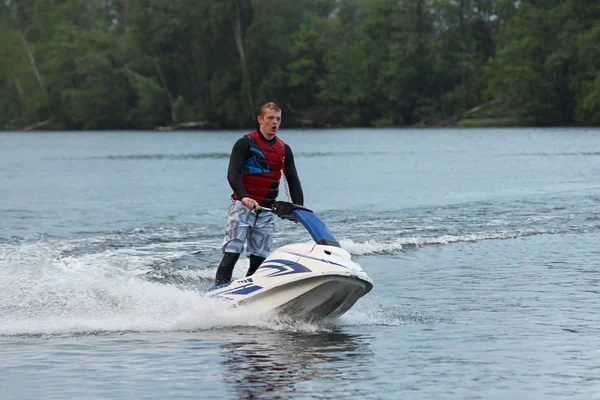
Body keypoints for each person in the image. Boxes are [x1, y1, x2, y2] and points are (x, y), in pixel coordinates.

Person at [214, 102, 304, 286]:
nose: (274, 123)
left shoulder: (284, 149)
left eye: (278, 119)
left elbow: (293, 180)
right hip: (242, 206)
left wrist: (299, 209)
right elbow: (232, 172)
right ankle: (219, 291)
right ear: (260, 119)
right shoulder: (245, 143)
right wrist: (244, 196)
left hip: (266, 211)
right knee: (232, 253)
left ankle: (249, 292)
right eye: (270, 118)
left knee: (259, 260)